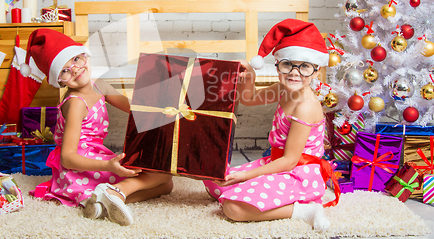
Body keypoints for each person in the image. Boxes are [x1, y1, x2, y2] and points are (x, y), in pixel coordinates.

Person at [23, 29, 172, 226]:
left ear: (85, 56)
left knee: (166, 185)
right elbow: (67, 158)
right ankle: (113, 192)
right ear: (58, 81)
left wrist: (166, 106)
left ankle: (102, 202)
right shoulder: (76, 103)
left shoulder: (100, 85)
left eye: (76, 59)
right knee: (161, 176)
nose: (75, 69)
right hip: (79, 167)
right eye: (65, 70)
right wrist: (108, 166)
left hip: (97, 155)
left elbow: (135, 109)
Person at [204, 19, 339, 233]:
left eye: (304, 67)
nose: (295, 73)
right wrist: (250, 75)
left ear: (315, 71)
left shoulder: (306, 106)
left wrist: (246, 176)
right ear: (278, 66)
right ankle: (253, 190)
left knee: (233, 207)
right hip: (275, 162)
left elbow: (290, 160)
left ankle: (306, 210)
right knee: (214, 180)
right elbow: (248, 98)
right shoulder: (282, 89)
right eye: (288, 64)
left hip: (298, 173)